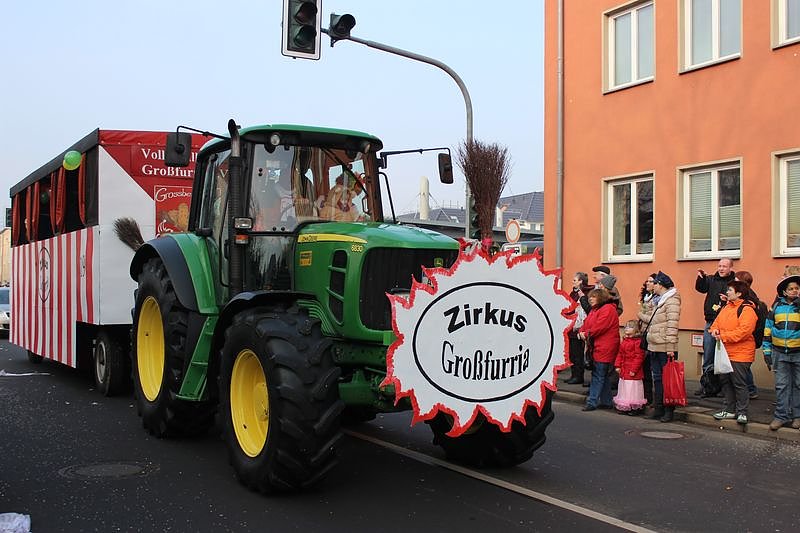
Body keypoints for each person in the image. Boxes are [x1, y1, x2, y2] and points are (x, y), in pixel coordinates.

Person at [709, 280, 758, 425]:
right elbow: (714, 325)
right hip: (724, 351)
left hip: (741, 353)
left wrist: (723, 336)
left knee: (739, 382)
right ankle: (729, 410)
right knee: (726, 381)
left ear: (739, 293)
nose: (727, 292)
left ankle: (742, 412)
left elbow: (743, 332)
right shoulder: (726, 308)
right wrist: (715, 331)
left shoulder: (747, 310)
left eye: (730, 290)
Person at [638, 271, 681, 422]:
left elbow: (672, 325)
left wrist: (670, 346)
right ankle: (658, 408)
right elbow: (655, 321)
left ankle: (668, 410)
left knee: (666, 380)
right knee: (657, 378)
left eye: (654, 283)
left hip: (664, 345)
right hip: (654, 344)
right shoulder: (660, 300)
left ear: (660, 285)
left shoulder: (672, 301)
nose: (651, 286)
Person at [763, 274, 800, 431]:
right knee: (782, 385)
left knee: (798, 385)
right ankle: (781, 416)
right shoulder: (776, 307)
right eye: (790, 288)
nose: (794, 291)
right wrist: (766, 351)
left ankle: (797, 416)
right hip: (779, 352)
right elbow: (768, 329)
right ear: (784, 292)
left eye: (797, 288)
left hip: (798, 352)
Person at [695, 258, 736, 397]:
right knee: (708, 353)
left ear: (730, 268)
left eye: (724, 266)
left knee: (725, 355)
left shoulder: (734, 283)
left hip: (727, 323)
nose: (721, 269)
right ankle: (707, 384)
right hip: (711, 322)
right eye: (719, 266)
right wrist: (701, 278)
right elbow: (701, 288)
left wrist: (728, 300)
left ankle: (725, 387)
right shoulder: (711, 279)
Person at [577, 287, 620, 411]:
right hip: (597, 346)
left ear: (601, 298)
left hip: (605, 346)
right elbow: (586, 323)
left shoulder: (607, 309)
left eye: (594, 296)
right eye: (590, 297)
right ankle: (606, 401)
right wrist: (582, 331)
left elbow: (600, 327)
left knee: (598, 374)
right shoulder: (595, 310)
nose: (590, 299)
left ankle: (592, 401)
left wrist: (586, 334)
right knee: (602, 375)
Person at [734, 270, 760, 399]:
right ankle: (749, 389)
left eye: (736, 280)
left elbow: (746, 327)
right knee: (742, 367)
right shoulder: (748, 296)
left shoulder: (749, 299)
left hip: (745, 339)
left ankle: (750, 389)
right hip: (742, 339)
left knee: (742, 367)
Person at [613, 320, 647, 415]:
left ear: (636, 331)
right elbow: (620, 354)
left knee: (633, 388)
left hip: (632, 369)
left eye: (630, 327)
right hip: (624, 368)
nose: (627, 328)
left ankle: (634, 407)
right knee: (624, 388)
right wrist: (617, 365)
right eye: (626, 327)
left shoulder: (637, 342)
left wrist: (634, 369)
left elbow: (639, 357)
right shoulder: (624, 341)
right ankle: (625, 406)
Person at [566, 272, 592, 385]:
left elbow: (587, 309)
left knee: (578, 353)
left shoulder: (586, 293)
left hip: (581, 326)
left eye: (575, 280)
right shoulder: (573, 293)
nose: (573, 281)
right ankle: (574, 374)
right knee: (572, 353)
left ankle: (578, 375)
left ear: (581, 281)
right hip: (572, 326)